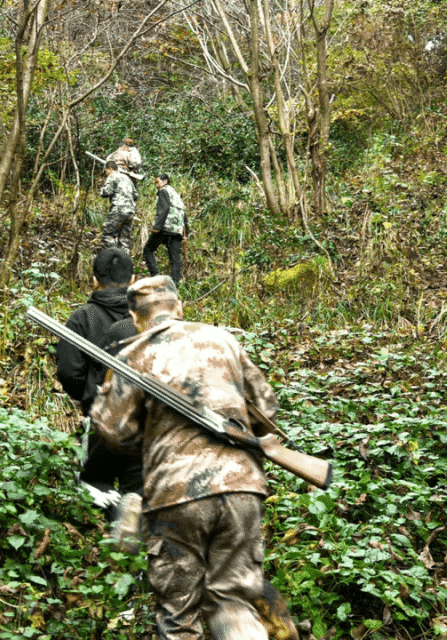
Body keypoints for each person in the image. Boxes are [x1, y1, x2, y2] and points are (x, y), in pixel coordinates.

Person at [90, 275, 280, 640]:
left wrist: (149, 435)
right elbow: (266, 407)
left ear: (134, 314)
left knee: (179, 617)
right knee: (233, 601)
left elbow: (111, 431)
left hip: (175, 496)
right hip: (242, 488)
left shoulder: (132, 354)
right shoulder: (223, 340)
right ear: (179, 305)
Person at [54, 248, 143, 515]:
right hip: (147, 419)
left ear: (94, 280)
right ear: (133, 279)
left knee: (95, 484)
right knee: (138, 489)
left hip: (102, 417)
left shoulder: (82, 318)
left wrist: (89, 395)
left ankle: (107, 538)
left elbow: (69, 373)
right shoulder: (146, 319)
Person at [143, 174, 189, 285]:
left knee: (148, 250)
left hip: (166, 226)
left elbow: (164, 209)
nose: (156, 185)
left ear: (165, 181)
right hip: (177, 229)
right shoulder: (176, 194)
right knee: (175, 257)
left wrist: (156, 227)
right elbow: (184, 214)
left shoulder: (163, 191)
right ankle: (175, 284)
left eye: (157, 182)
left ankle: (155, 277)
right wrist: (185, 233)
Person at [100, 160, 138, 250]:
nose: (105, 174)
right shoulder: (127, 178)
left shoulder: (112, 176)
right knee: (124, 240)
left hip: (119, 209)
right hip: (130, 211)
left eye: (105, 171)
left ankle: (112, 258)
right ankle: (125, 261)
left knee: (108, 235)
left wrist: (101, 188)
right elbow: (135, 195)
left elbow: (105, 192)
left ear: (110, 169)